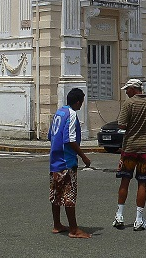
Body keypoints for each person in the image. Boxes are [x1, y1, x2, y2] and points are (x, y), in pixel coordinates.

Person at [113, 78, 146, 231]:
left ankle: (120, 215)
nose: (126, 92)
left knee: (125, 180)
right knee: (142, 183)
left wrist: (132, 126)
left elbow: (121, 124)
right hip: (145, 149)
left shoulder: (129, 104)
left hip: (129, 148)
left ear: (134, 89)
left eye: (127, 89)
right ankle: (139, 219)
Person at [49, 87, 91, 238]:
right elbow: (70, 139)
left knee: (56, 193)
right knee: (69, 195)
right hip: (67, 161)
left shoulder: (59, 112)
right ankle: (74, 229)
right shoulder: (72, 115)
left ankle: (57, 224)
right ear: (78, 102)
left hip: (55, 160)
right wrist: (83, 157)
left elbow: (51, 135)